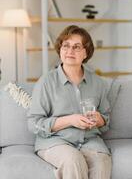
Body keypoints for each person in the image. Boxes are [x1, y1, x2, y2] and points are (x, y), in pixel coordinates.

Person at [28, 25, 112, 179]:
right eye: (65, 46)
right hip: (55, 142)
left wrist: (100, 120)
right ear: (60, 50)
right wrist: (70, 120)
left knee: (102, 161)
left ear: (86, 52)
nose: (69, 51)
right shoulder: (46, 82)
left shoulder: (98, 82)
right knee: (73, 160)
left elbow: (105, 120)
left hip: (89, 141)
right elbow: (34, 123)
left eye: (76, 47)